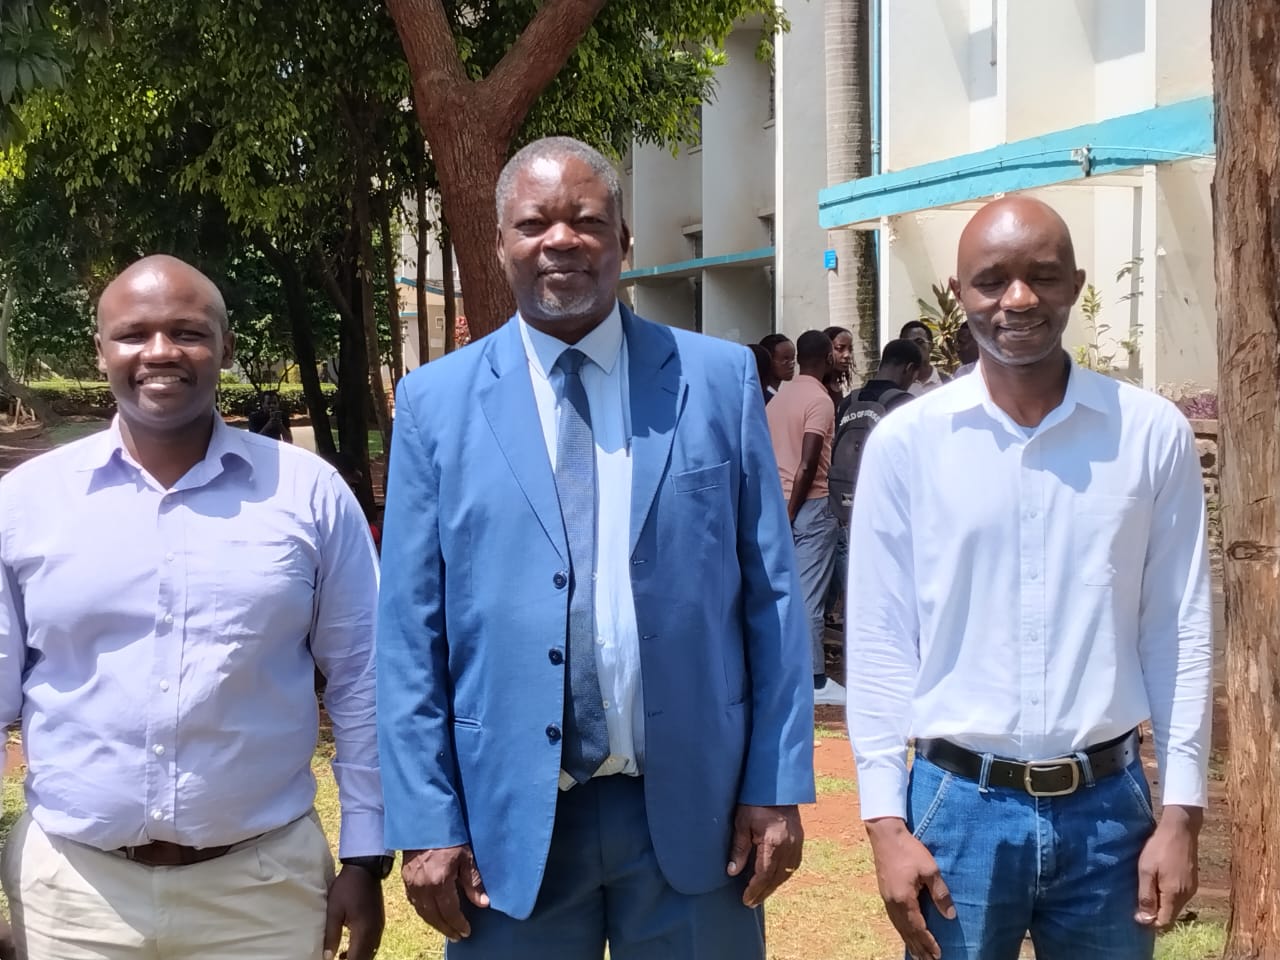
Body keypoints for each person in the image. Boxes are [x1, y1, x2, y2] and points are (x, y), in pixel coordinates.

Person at [377, 136, 814, 960]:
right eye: (534, 223)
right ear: (500, 243)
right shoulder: (436, 404)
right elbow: (408, 633)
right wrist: (428, 818)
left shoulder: (717, 381)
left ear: (624, 239)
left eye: (585, 219)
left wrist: (776, 781)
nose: (561, 240)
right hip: (509, 827)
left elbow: (773, 598)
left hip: (697, 809)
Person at [846, 197, 1211, 960]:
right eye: (992, 281)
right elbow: (881, 639)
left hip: (1109, 812)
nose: (1018, 299)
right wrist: (884, 822)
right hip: (956, 810)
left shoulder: (1149, 435)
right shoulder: (908, 445)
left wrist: (1181, 810)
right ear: (959, 294)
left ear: (1075, 283)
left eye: (1042, 276)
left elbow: (1177, 628)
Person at [0, 255, 388, 960]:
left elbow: (364, 682)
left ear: (226, 347)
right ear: (101, 350)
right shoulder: (27, 503)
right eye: (133, 334)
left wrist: (366, 857)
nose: (160, 352)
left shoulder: (308, 495)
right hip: (74, 896)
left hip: (262, 894)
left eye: (187, 332)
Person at [766, 330, 844, 708]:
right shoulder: (820, 399)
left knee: (786, 591)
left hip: (778, 501)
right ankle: (815, 680)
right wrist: (792, 510)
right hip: (809, 505)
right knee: (810, 597)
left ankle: (785, 668)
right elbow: (808, 463)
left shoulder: (779, 399)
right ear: (828, 358)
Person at [856, 338, 922, 411]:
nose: (913, 382)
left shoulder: (850, 400)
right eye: (915, 377)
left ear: (880, 364)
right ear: (909, 368)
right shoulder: (905, 402)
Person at [900, 320, 950, 395]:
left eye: (919, 342)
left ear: (931, 346)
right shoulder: (897, 385)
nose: (914, 347)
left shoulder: (946, 383)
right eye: (908, 343)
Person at [822, 326, 855, 407]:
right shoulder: (820, 388)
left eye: (850, 349)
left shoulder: (836, 385)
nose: (847, 355)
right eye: (839, 348)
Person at [758, 332, 795, 402]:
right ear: (768, 360)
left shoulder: (776, 395)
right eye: (785, 359)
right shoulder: (765, 399)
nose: (791, 364)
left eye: (793, 358)